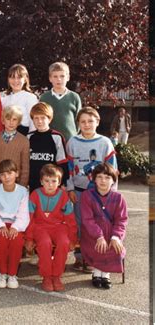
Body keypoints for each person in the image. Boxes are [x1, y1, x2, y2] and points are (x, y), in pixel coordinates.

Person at [66, 107, 117, 272]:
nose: (86, 125)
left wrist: (112, 193)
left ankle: (96, 257)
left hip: (99, 193)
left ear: (97, 122)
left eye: (90, 121)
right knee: (81, 225)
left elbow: (112, 170)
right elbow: (68, 168)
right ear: (78, 124)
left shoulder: (105, 142)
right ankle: (81, 257)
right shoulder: (73, 142)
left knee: (98, 225)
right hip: (80, 192)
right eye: (82, 122)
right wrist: (70, 189)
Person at [25, 164, 77, 292]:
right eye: (47, 181)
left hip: (58, 227)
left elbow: (70, 219)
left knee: (63, 242)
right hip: (40, 227)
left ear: (59, 182)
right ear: (41, 181)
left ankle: (56, 276)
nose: (50, 184)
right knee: (44, 243)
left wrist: (72, 238)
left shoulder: (63, 196)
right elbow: (30, 219)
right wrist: (29, 238)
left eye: (54, 181)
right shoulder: (35, 195)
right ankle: (47, 276)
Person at [80, 163, 128, 290]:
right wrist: (99, 236)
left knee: (114, 245)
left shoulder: (119, 198)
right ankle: (97, 272)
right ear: (94, 179)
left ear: (113, 180)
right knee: (98, 245)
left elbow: (121, 220)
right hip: (92, 233)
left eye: (107, 177)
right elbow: (87, 219)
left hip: (112, 232)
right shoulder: (87, 195)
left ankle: (105, 273)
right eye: (99, 177)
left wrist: (116, 237)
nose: (103, 181)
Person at [0, 159, 29, 289]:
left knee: (16, 241)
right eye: (2, 174)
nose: (6, 177)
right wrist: (0, 225)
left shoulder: (23, 191)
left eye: (9, 173)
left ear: (17, 174)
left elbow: (23, 214)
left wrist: (15, 227)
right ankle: (2, 273)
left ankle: (12, 274)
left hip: (16, 224)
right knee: (0, 241)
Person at [27, 102, 69, 193]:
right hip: (32, 183)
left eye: (43, 118)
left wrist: (63, 183)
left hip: (51, 184)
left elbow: (62, 163)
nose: (39, 121)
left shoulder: (57, 137)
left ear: (49, 119)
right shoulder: (29, 137)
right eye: (36, 118)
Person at [0, 105, 29, 187]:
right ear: (3, 121)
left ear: (19, 122)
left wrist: (22, 186)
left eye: (14, 119)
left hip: (15, 184)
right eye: (8, 119)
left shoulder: (24, 141)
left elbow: (25, 167)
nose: (11, 122)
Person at [39, 62, 82, 142]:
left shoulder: (74, 97)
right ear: (50, 78)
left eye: (62, 76)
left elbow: (78, 119)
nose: (59, 79)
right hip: (49, 139)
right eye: (55, 76)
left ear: (68, 77)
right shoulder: (44, 97)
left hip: (70, 139)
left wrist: (73, 133)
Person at [0, 64, 38, 135]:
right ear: (8, 79)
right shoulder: (4, 99)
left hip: (24, 135)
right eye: (12, 77)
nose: (15, 81)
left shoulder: (30, 97)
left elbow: (33, 122)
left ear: (25, 79)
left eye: (19, 77)